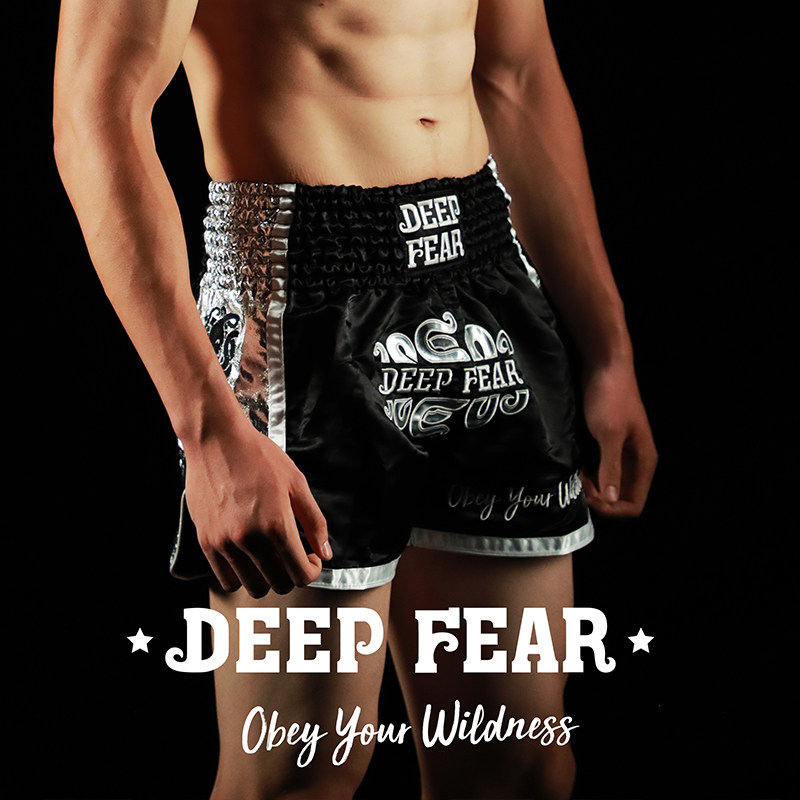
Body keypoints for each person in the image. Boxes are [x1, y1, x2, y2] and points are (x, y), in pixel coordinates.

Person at [54, 1, 657, 798]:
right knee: (297, 771)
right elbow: (96, 112)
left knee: (518, 768)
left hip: (484, 270)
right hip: (296, 290)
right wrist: (209, 431)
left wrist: (608, 348)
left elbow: (514, 75)